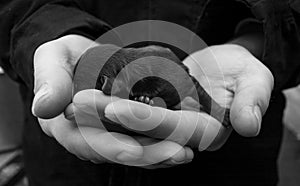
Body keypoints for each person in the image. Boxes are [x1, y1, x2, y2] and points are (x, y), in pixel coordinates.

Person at [0, 0, 299, 185]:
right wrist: (45, 33)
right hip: (64, 169)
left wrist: (258, 40)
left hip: (227, 167)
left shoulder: (116, 72)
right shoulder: (107, 69)